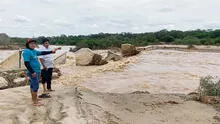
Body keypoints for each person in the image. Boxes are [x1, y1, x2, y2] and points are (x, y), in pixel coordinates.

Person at [23, 39, 60, 106]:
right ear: (28, 45)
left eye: (34, 43)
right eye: (31, 44)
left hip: (37, 71)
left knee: (32, 85)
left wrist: (51, 51)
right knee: (36, 86)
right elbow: (26, 63)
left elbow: (42, 52)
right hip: (33, 72)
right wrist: (32, 72)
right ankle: (35, 102)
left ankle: (34, 98)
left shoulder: (34, 51)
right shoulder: (26, 52)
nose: (33, 45)